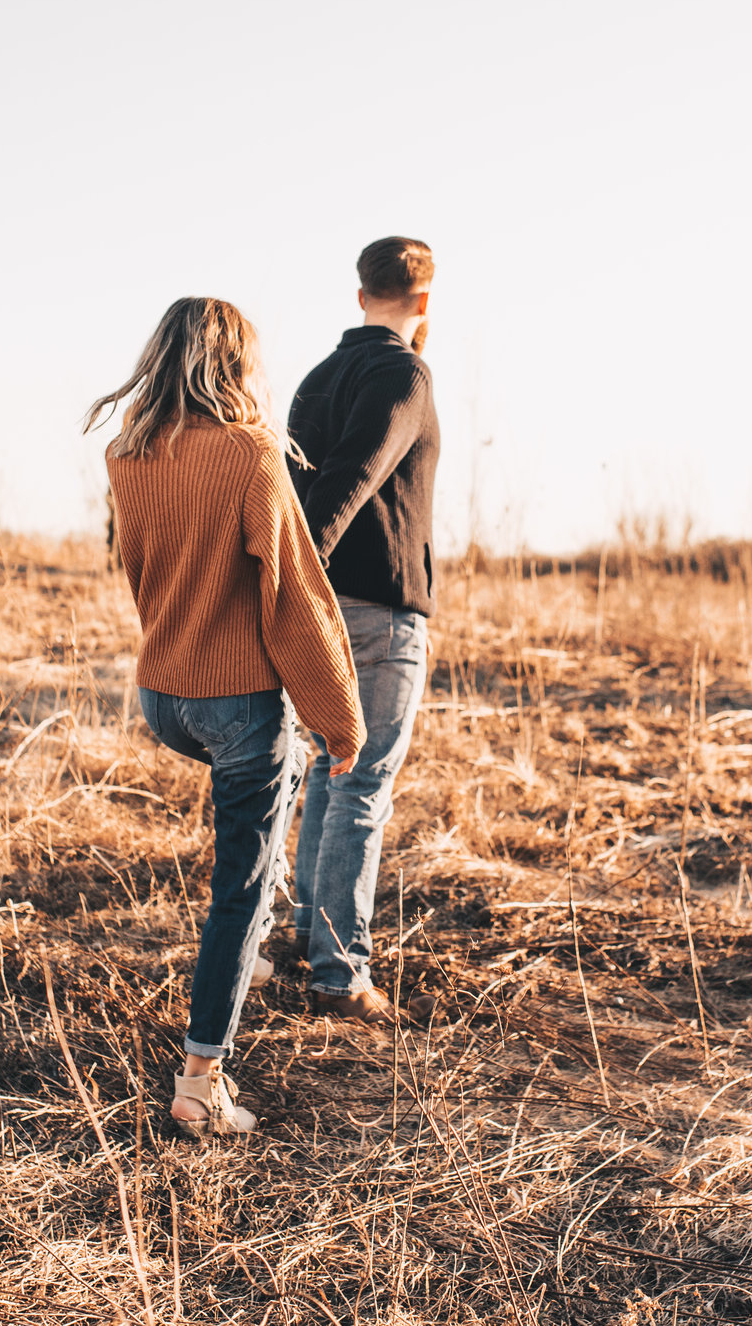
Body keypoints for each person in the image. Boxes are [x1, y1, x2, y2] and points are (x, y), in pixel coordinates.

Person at [87, 297, 365, 1136]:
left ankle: (267, 870)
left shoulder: (127, 455)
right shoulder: (252, 453)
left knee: (251, 844)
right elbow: (296, 595)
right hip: (236, 700)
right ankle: (200, 1082)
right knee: (238, 890)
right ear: (236, 362)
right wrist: (339, 716)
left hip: (163, 694)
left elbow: (139, 571)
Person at [281, 237, 440, 1022]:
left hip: (320, 604)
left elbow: (291, 482)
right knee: (360, 782)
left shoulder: (316, 379)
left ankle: (312, 942)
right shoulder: (403, 372)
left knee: (328, 770)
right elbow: (357, 474)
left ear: (359, 295)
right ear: (424, 300)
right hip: (374, 606)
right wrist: (310, 563)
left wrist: (292, 582)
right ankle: (340, 974)